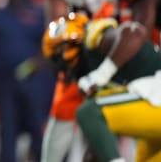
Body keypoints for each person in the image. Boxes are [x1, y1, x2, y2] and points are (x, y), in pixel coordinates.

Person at [37, 0, 140, 162]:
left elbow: (135, 22)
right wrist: (62, 46)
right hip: (79, 54)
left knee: (121, 120)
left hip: (115, 55)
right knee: (62, 115)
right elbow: (56, 26)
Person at [42, 13, 161, 162]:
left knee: (88, 112)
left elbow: (135, 32)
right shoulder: (89, 76)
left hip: (155, 93)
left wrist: (102, 73)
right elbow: (99, 145)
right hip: (152, 106)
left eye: (57, 57)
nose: (61, 69)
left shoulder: (92, 38)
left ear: (67, 47)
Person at [0, 0, 55, 162]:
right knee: (7, 131)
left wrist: (37, 64)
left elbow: (46, 43)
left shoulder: (37, 13)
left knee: (37, 127)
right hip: (5, 81)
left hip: (33, 81)